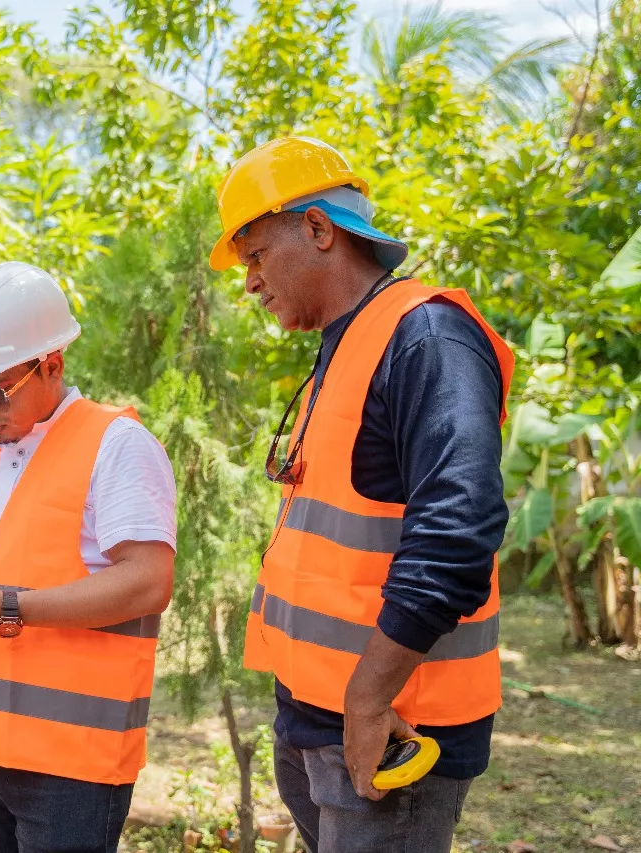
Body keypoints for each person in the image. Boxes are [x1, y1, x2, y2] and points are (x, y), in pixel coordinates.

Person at [208, 137, 514, 853]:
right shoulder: (345, 347)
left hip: (392, 726)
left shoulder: (426, 336)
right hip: (326, 715)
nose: (249, 280)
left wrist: (370, 697)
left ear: (318, 228)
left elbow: (459, 530)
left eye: (255, 254)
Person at [0, 261, 178, 853]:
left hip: (71, 758)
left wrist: (5, 605)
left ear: (51, 363)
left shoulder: (118, 445)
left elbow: (148, 583)